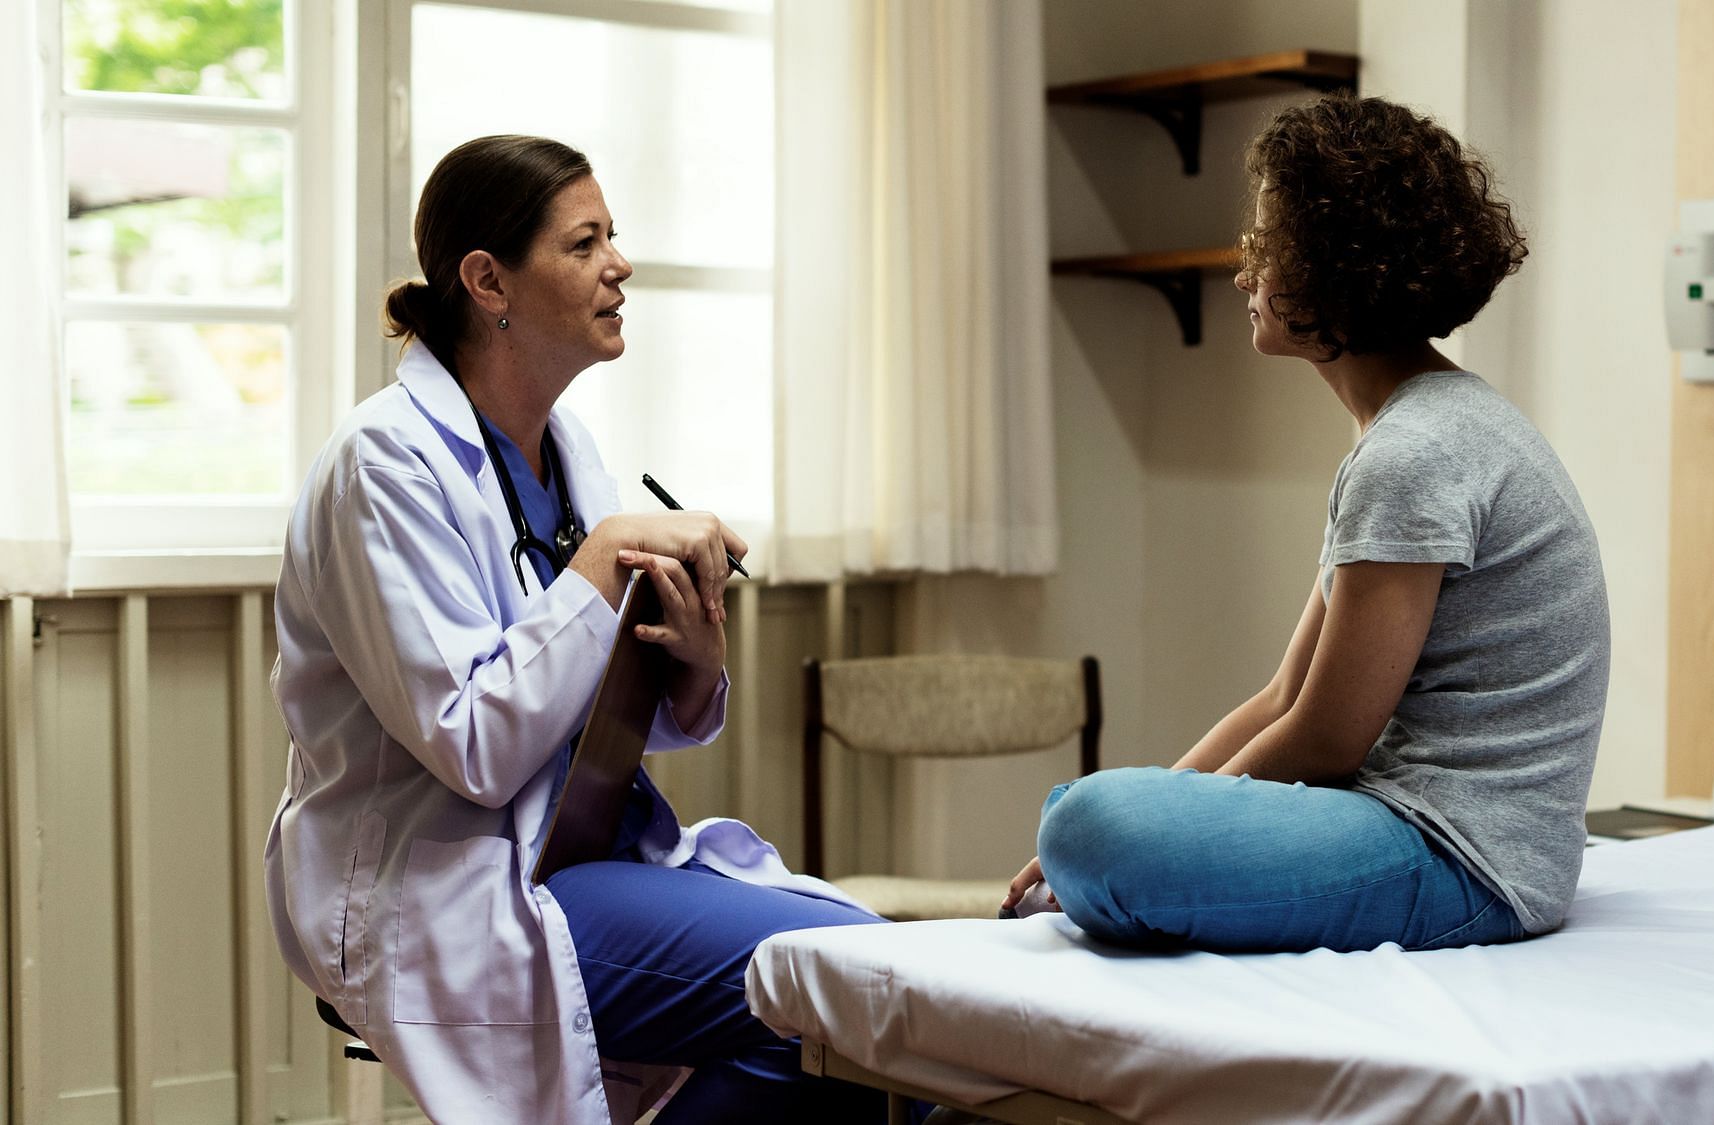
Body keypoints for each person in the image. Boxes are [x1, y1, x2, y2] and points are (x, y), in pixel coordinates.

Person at [265, 135, 888, 1123]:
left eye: (613, 237)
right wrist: (602, 560)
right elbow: (474, 745)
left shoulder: (565, 448)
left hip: (576, 854)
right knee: (854, 999)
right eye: (584, 243)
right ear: (488, 282)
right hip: (442, 885)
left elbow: (592, 705)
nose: (619, 265)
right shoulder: (383, 466)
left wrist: (689, 665)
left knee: (889, 989)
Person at [1004, 94, 1611, 954]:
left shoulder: (1414, 454)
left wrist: (1150, 823)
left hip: (1466, 859)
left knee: (1088, 823)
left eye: (1266, 245)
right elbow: (1285, 697)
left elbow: (1328, 738)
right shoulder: (1414, 432)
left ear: (1338, 269)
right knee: (1096, 818)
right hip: (1436, 832)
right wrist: (1168, 805)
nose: (1243, 273)